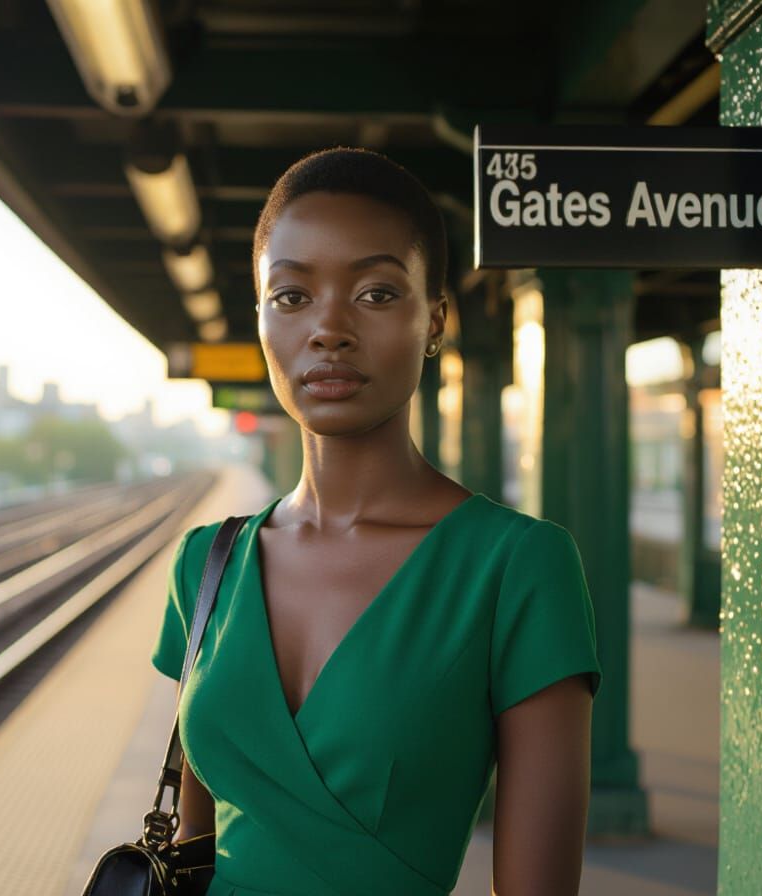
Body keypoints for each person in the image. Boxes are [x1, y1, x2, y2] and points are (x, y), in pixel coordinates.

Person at [150, 147, 602, 896]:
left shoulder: (519, 567)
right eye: (291, 297)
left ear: (435, 320)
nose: (328, 329)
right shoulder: (206, 563)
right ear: (260, 317)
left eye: (377, 292)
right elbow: (193, 852)